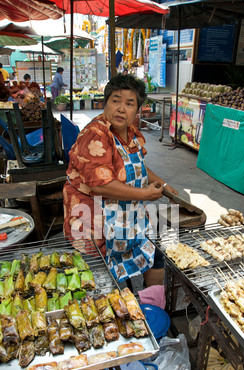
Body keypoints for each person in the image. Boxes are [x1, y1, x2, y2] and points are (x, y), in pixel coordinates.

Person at [63, 73, 178, 287]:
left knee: (154, 257)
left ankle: (150, 310)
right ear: (105, 103)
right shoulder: (96, 134)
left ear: (138, 109)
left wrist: (162, 185)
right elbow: (101, 183)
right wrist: (145, 194)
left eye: (129, 103)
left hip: (127, 216)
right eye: (115, 100)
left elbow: (138, 165)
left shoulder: (129, 133)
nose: (121, 108)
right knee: (106, 282)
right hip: (95, 219)